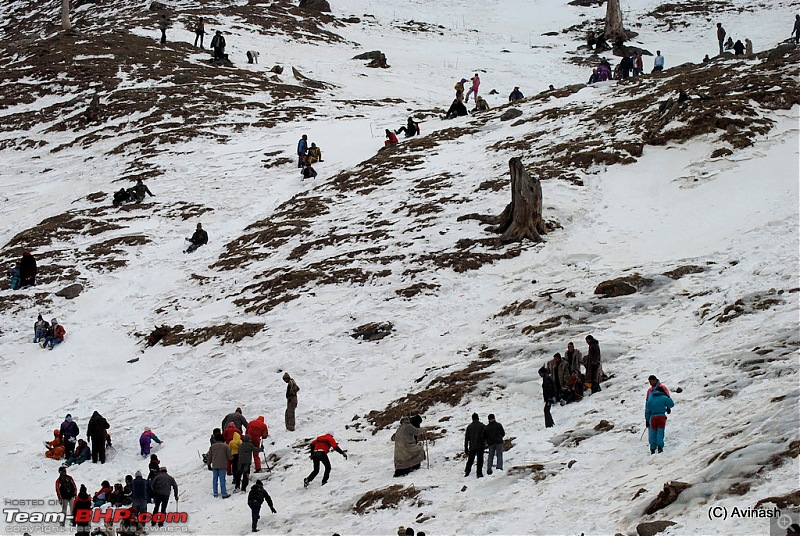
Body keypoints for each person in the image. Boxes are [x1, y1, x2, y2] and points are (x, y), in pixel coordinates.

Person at [645, 385, 674, 454]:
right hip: (661, 416)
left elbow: (647, 411)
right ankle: (660, 447)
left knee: (653, 432)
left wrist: (647, 420)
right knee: (660, 431)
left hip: (653, 417)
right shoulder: (663, 398)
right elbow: (671, 404)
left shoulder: (650, 399)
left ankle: (652, 448)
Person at [463, 413, 486, 478]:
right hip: (481, 446)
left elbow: (466, 439)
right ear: (478, 418)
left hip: (472, 446)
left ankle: (467, 472)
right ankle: (479, 473)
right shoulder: (482, 426)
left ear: (472, 418)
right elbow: (486, 435)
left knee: (470, 460)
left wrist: (466, 449)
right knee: (480, 460)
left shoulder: (469, 427)